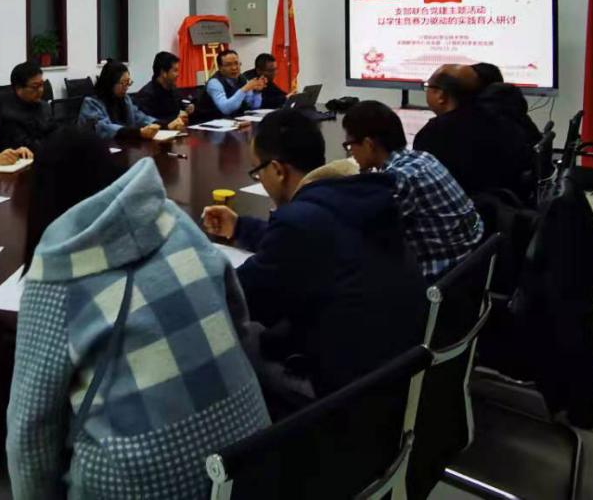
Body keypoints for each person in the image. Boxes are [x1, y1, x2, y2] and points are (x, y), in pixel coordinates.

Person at [7, 128, 269, 499]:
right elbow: (238, 326)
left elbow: (30, 430)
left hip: (140, 485)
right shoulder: (176, 221)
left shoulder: (55, 277)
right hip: (253, 459)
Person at [202, 110, 426, 400]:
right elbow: (314, 238)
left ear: (278, 170)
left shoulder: (299, 224)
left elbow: (242, 298)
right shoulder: (358, 193)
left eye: (258, 171)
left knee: (235, 339)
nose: (260, 178)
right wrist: (241, 227)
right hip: (400, 367)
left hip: (347, 391)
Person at [341, 100, 484, 281]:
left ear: (369, 145)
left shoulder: (398, 179)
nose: (351, 152)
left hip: (441, 279)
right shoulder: (424, 157)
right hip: (471, 263)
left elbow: (364, 232)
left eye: (350, 145)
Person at [414, 65, 533, 197]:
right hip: (510, 203)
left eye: (428, 86)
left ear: (441, 95)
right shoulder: (502, 118)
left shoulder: (436, 133)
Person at [79, 61, 185, 140]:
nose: (126, 87)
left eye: (128, 82)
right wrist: (138, 133)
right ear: (110, 83)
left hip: (124, 147)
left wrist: (165, 125)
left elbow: (140, 117)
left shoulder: (125, 99)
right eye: (123, 83)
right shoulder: (91, 103)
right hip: (100, 152)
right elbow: (104, 128)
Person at [0, 61, 58, 152]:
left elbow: (55, 132)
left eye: (42, 85)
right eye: (35, 87)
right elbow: (27, 145)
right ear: (18, 88)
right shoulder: (8, 114)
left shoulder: (44, 106)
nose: (41, 90)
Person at [192, 49, 265, 121]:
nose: (234, 68)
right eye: (228, 65)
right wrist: (244, 89)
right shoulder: (214, 83)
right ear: (220, 67)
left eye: (236, 63)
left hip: (232, 122)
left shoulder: (242, 79)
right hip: (208, 123)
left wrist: (257, 92)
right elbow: (226, 109)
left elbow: (253, 106)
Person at [133, 51, 189, 123]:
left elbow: (181, 109)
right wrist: (173, 121)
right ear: (163, 73)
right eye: (175, 71)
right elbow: (148, 123)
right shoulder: (146, 95)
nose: (178, 74)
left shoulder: (173, 90)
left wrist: (187, 110)